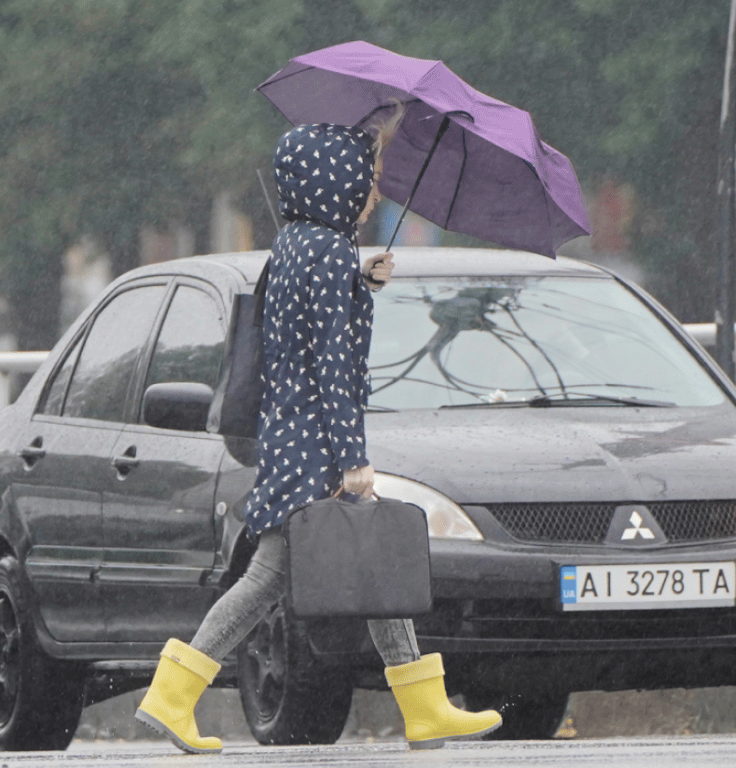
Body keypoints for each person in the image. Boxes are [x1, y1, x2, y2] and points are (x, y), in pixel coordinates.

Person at [133, 122, 503, 753]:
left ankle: (423, 709)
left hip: (289, 434)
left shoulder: (297, 245)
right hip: (314, 444)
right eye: (366, 180)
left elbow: (301, 333)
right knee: (273, 578)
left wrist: (363, 283)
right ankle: (171, 695)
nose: (372, 193)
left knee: (366, 564)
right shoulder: (328, 253)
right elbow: (330, 362)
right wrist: (353, 460)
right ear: (336, 181)